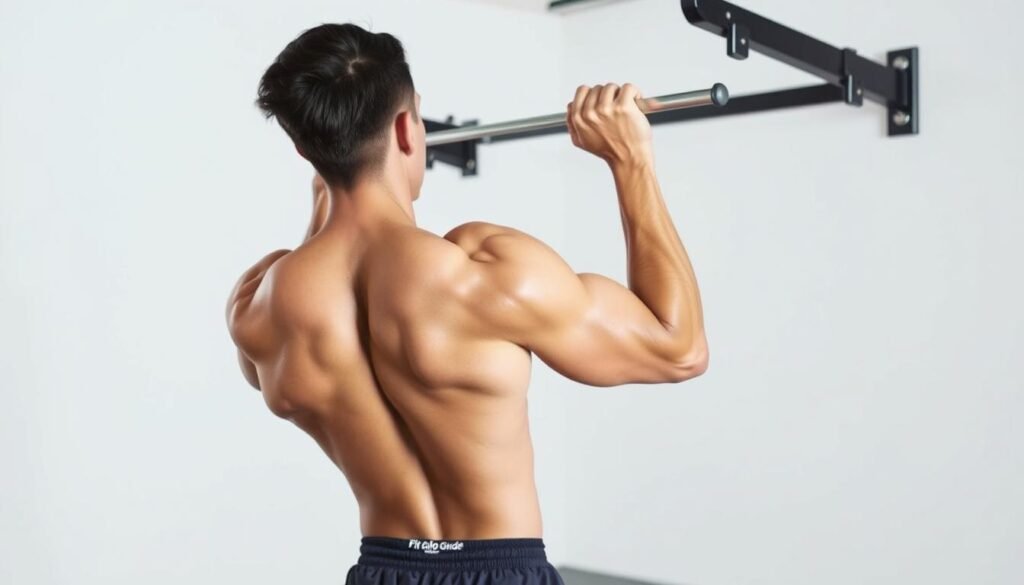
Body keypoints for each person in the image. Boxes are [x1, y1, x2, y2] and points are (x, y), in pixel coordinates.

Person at [225, 22, 709, 585]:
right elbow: (679, 351)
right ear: (408, 129)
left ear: (304, 148)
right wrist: (631, 161)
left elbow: (324, 281)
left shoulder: (259, 304)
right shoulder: (478, 272)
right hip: (501, 571)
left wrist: (328, 197)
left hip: (383, 572)